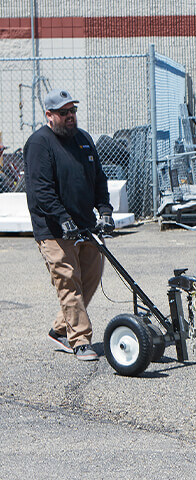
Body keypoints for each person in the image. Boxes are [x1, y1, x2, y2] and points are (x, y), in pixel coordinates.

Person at [24, 89, 115, 361]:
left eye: (73, 111)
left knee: (90, 278)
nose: (70, 117)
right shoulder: (40, 143)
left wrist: (105, 209)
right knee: (69, 282)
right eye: (64, 113)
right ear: (49, 115)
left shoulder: (84, 140)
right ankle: (80, 340)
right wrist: (62, 217)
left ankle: (60, 329)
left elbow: (99, 179)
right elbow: (41, 190)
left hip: (85, 226)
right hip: (53, 229)